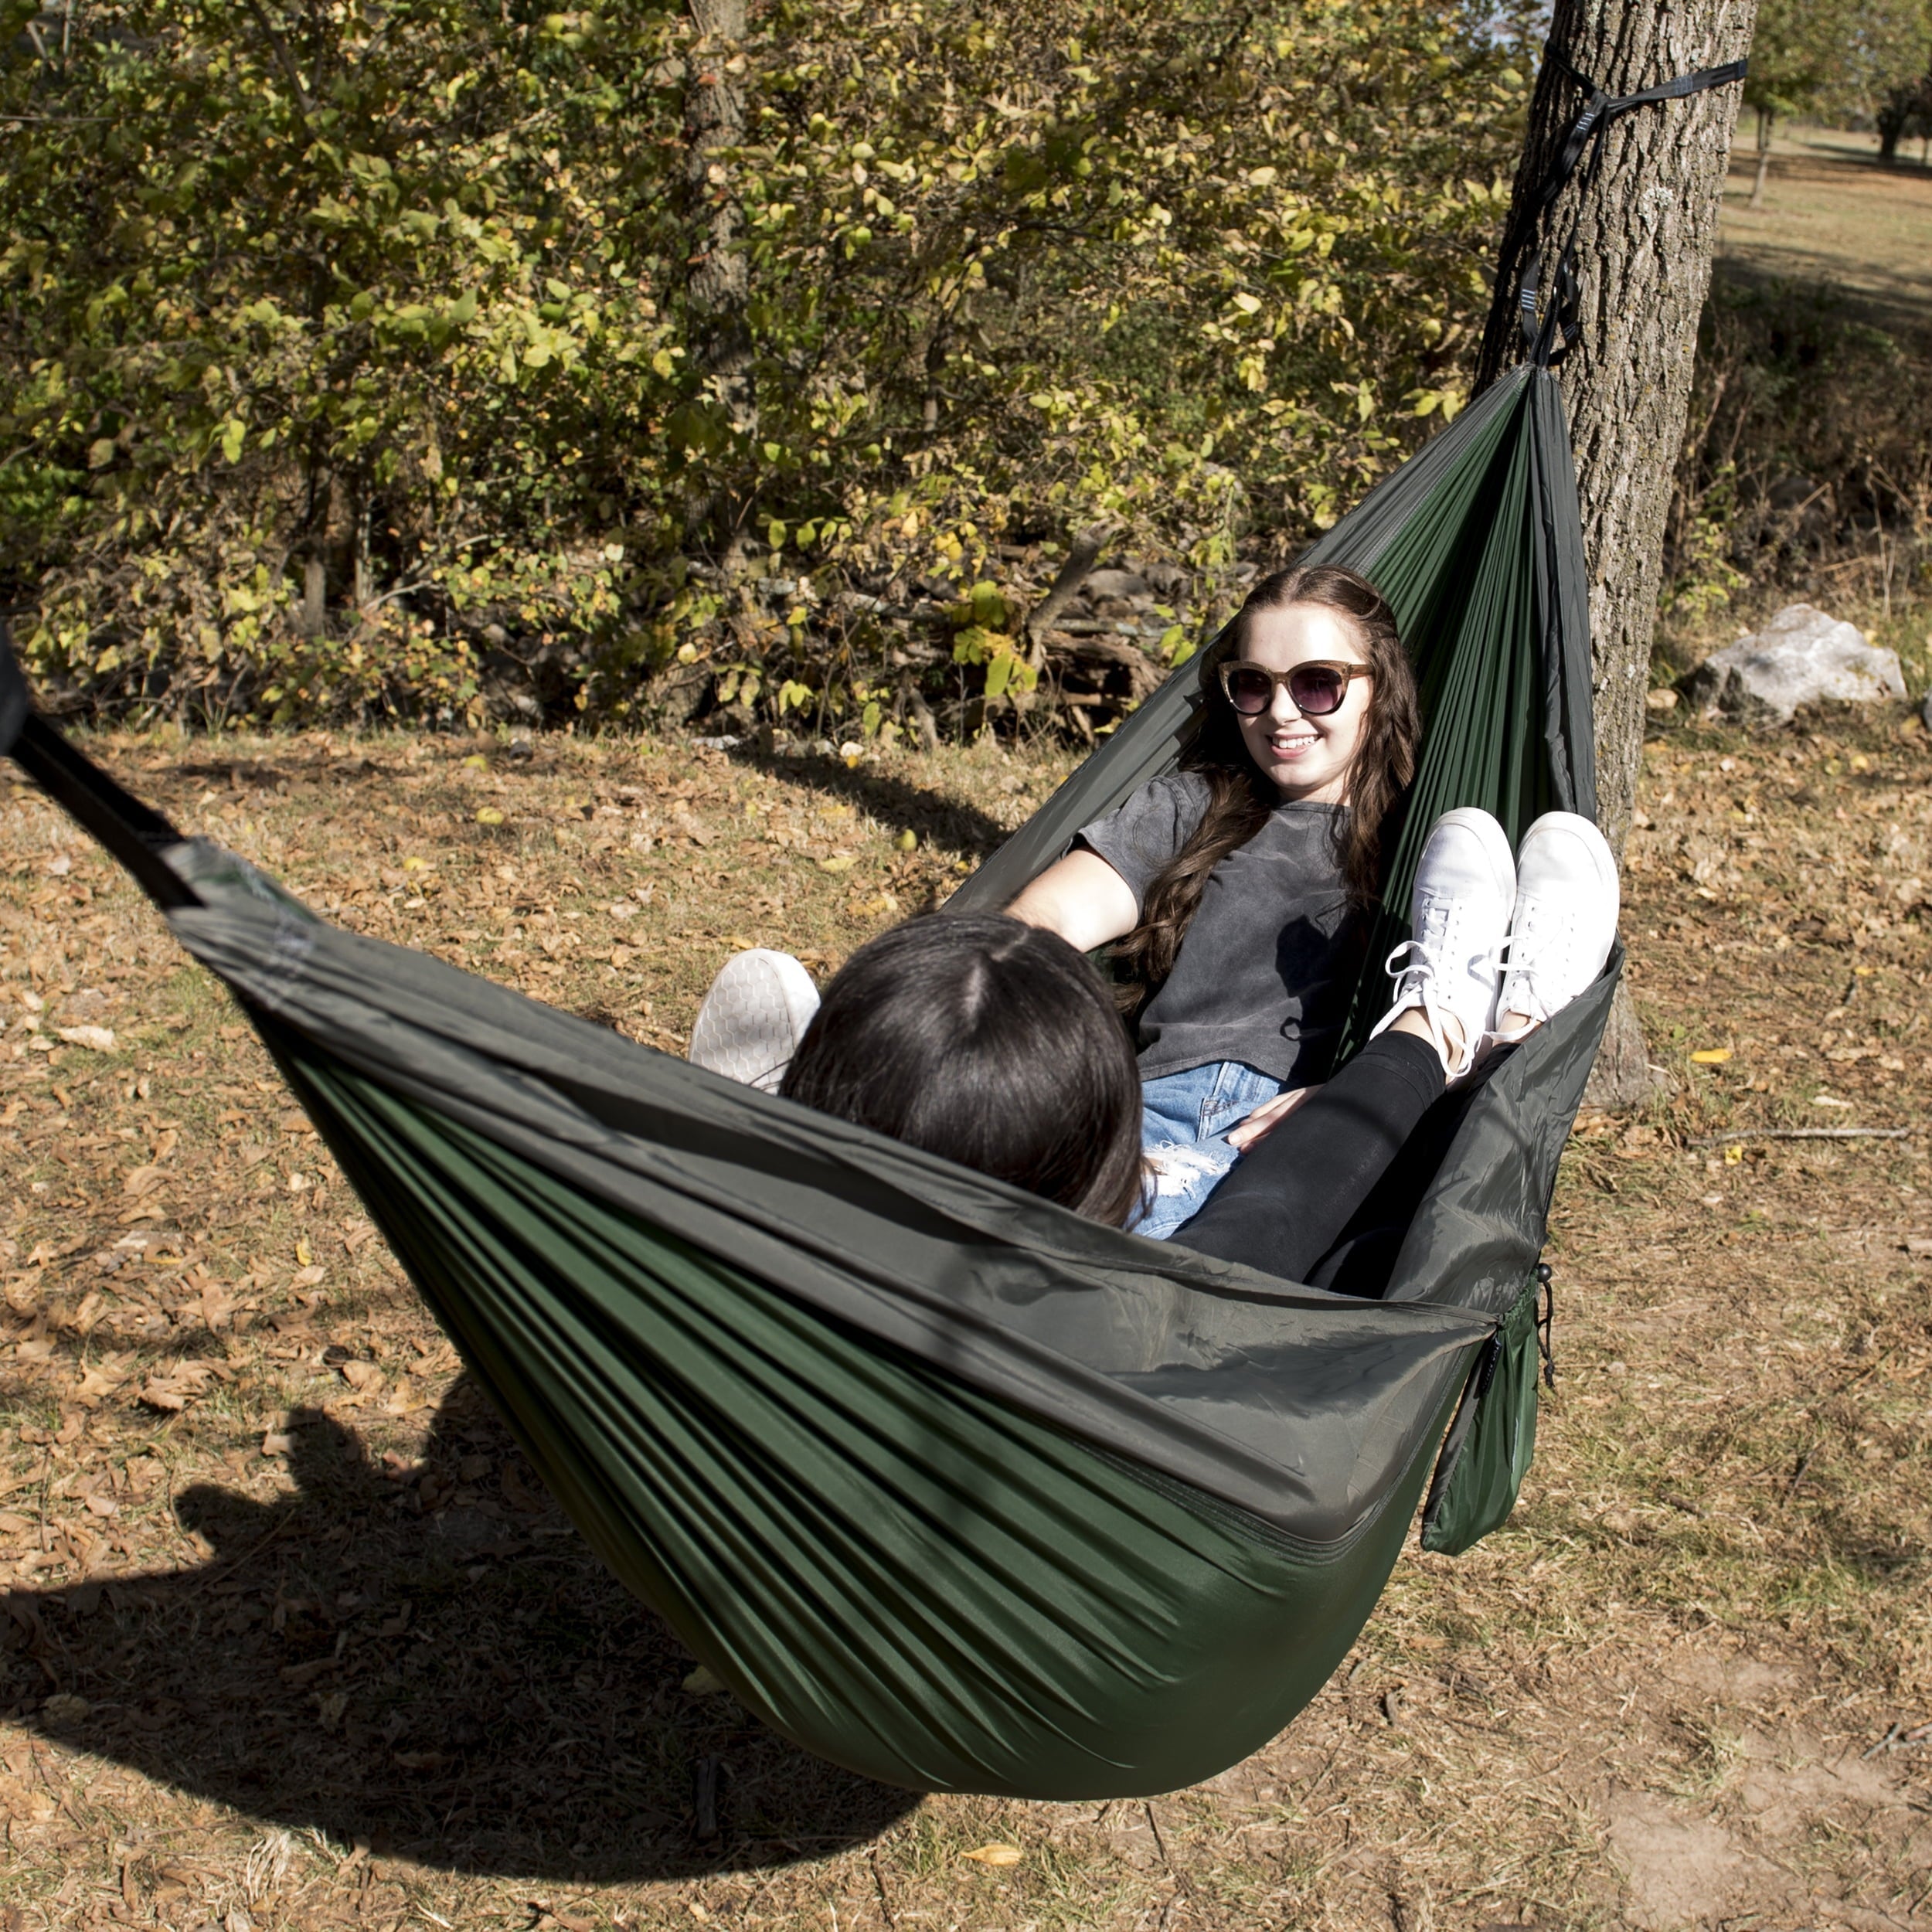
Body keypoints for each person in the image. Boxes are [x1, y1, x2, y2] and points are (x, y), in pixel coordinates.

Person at [687, 803, 1619, 1284]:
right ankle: (1477, 1037)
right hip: (1161, 1321)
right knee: (1287, 1221)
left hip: (870, 1289)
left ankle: (792, 1173)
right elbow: (1287, 1209)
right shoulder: (1171, 1296)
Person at [1003, 563, 1422, 1238]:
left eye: (1318, 684)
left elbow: (1463, 1018)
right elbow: (1041, 921)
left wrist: (1356, 1104)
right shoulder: (1194, 808)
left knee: (1087, 1222)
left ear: (1380, 689)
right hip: (1138, 1107)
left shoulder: (1426, 843)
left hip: (1290, 1139)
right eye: (1254, 685)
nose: (1281, 712)